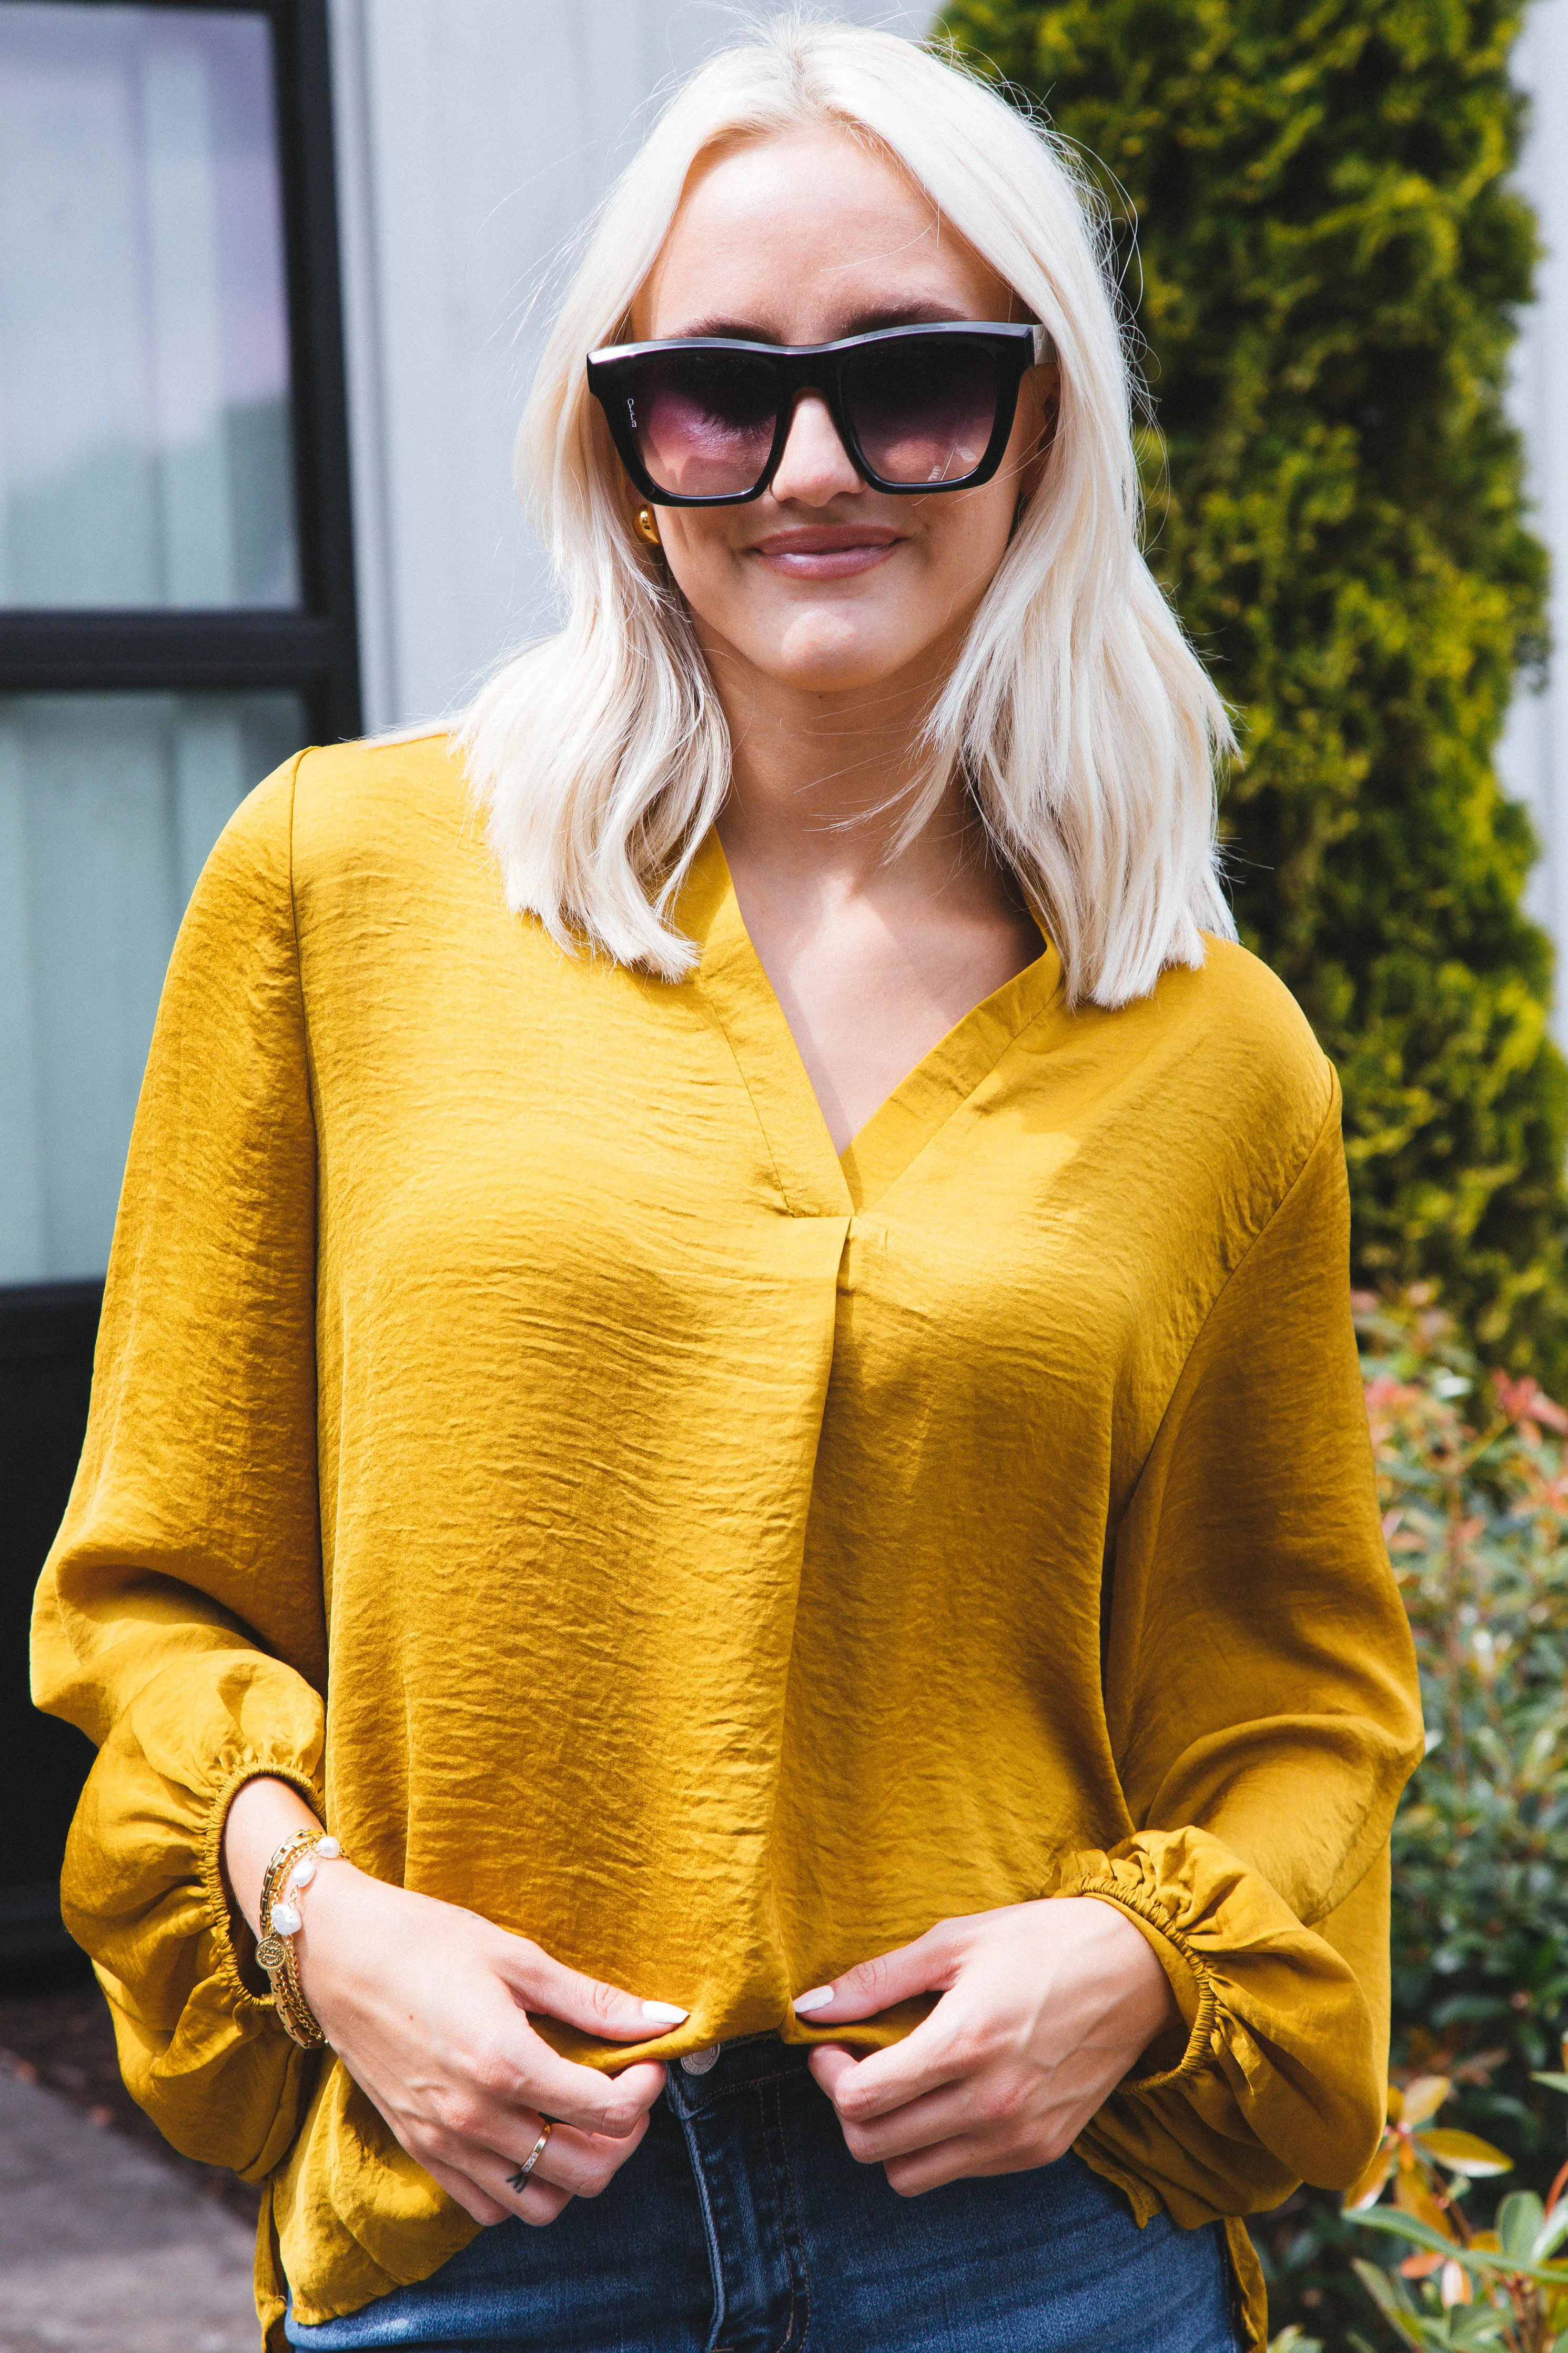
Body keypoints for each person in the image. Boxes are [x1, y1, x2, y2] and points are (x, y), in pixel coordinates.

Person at [32, 17, 1424, 2352]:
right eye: (712, 389)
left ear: (1039, 422)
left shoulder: (1211, 1054)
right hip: (473, 2231)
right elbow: (156, 1592)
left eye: (911, 380)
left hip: (1030, 2246)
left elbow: (1296, 1700)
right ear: (619, 441)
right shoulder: (342, 885)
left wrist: (1130, 1959)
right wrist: (309, 1918)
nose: (809, 466)